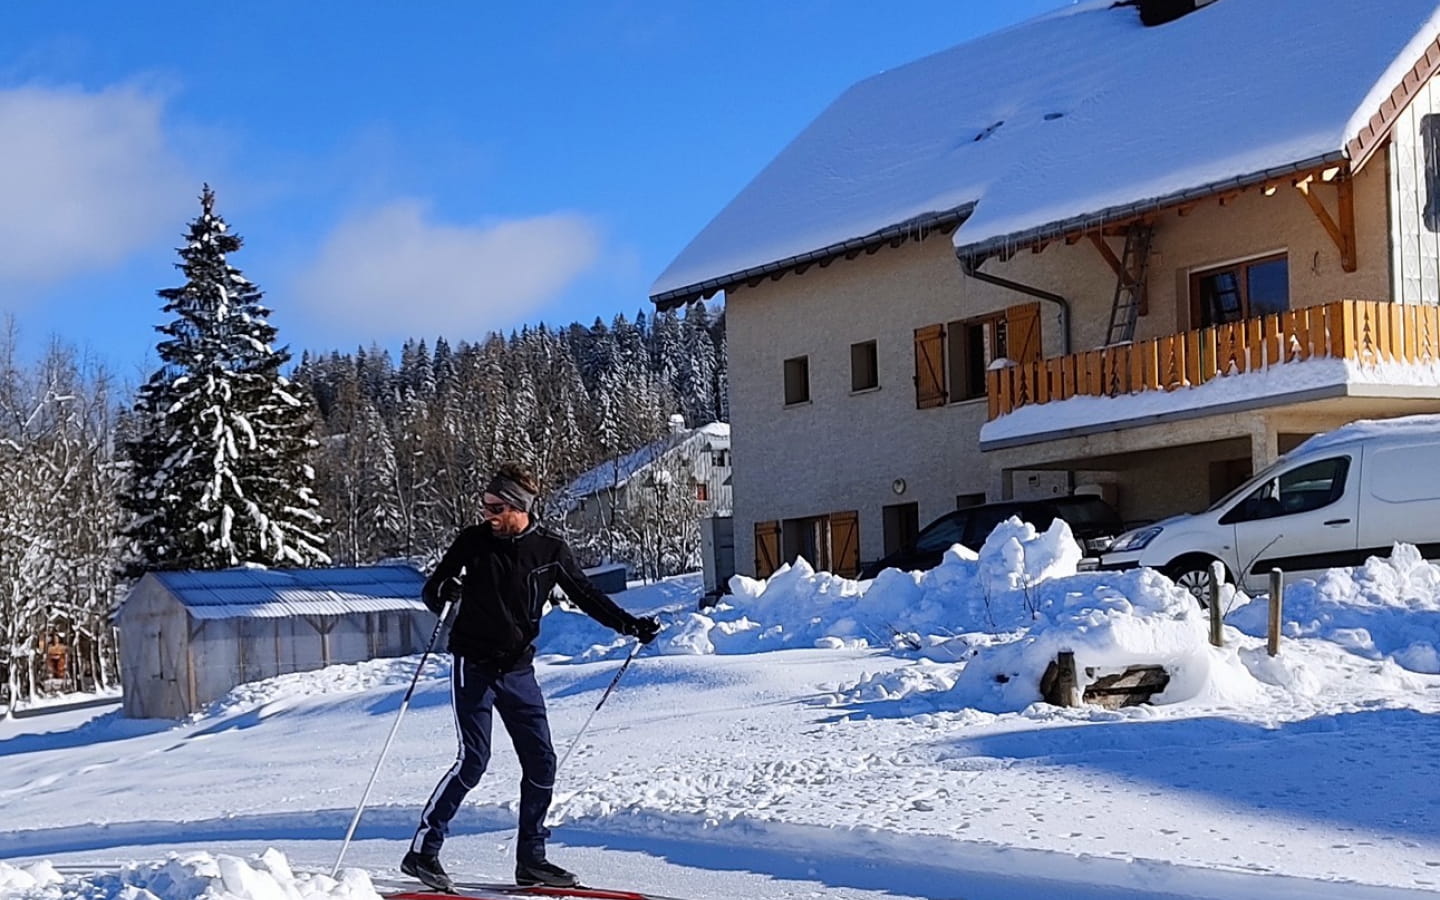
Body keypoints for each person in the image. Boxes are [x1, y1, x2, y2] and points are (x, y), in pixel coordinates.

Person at [402, 462, 661, 891]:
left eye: (496, 506)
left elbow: (587, 595)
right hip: (473, 663)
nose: (487, 513)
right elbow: (433, 590)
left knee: (541, 761)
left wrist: (630, 625)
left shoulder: (549, 550)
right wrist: (444, 592)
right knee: (473, 760)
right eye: (485, 504)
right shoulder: (473, 542)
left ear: (518, 508)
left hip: (518, 669)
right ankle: (423, 853)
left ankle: (532, 860)